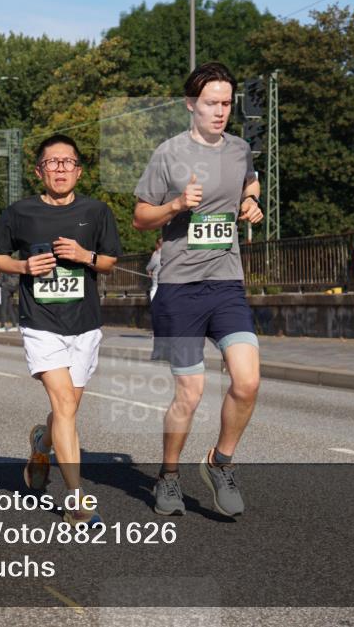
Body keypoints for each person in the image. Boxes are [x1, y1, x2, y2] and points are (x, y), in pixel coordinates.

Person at [132, 62, 264, 517]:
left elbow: (251, 181)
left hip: (227, 281)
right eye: (212, 103)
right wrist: (174, 205)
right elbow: (140, 216)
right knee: (188, 395)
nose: (221, 111)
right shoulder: (167, 154)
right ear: (191, 104)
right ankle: (168, 476)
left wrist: (250, 202)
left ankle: (219, 463)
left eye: (227, 103)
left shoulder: (240, 149)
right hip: (178, 287)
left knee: (247, 382)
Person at [0, 134, 122, 527]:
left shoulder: (97, 212)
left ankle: (41, 445)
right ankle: (77, 502)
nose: (60, 169)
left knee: (67, 410)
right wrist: (24, 267)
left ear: (79, 170)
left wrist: (86, 257)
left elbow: (110, 260)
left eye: (68, 163)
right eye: (52, 162)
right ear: (39, 171)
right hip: (41, 323)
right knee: (64, 406)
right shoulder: (20, 213)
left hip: (84, 325)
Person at [146, 237, 163, 303]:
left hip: (157, 286)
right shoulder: (171, 254)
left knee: (155, 308)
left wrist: (149, 271)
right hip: (169, 287)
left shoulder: (156, 254)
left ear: (157, 244)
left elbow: (149, 267)